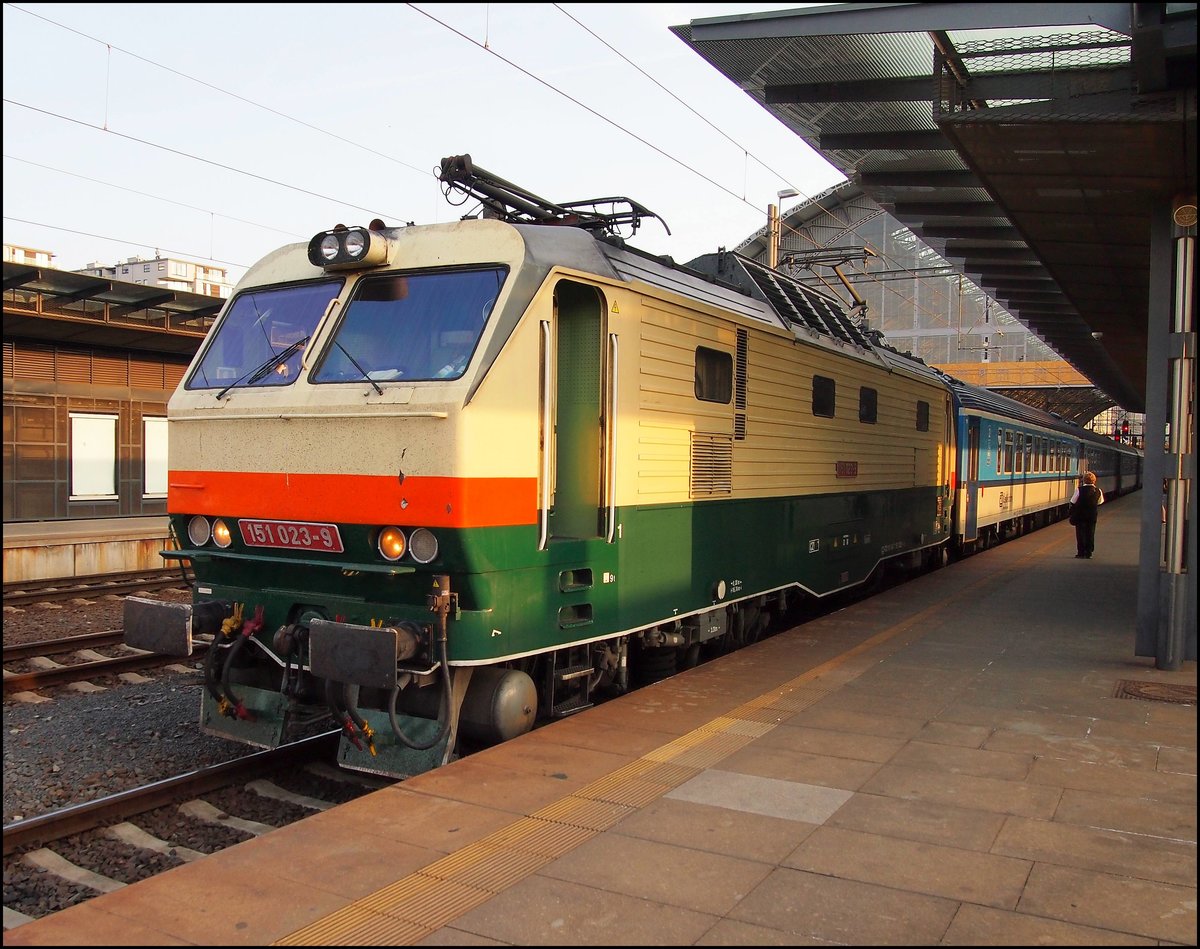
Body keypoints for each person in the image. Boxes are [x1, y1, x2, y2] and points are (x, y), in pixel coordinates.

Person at [1069, 470, 1105, 558]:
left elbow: (1073, 501)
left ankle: (1080, 552)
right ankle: (1089, 553)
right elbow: (1100, 502)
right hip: (1092, 515)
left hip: (1080, 515)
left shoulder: (1079, 489)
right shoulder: (1098, 490)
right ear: (1094, 480)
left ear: (1084, 480)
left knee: (1080, 534)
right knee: (1090, 533)